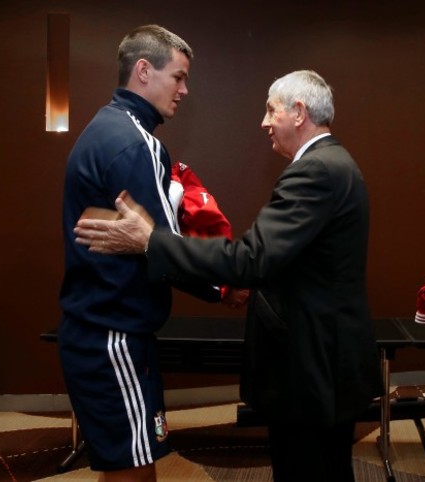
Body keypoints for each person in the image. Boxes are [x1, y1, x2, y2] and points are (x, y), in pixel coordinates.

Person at [73, 69, 384, 482]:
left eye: (271, 110)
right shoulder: (332, 163)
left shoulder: (317, 171)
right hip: (323, 362)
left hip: (312, 369)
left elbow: (251, 260)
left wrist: (151, 241)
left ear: (299, 113)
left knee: (308, 470)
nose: (264, 122)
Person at [59, 25, 246, 482]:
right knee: (135, 472)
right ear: (143, 70)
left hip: (104, 330)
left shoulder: (110, 128)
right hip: (113, 336)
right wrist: (224, 286)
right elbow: (162, 246)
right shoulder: (131, 141)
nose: (184, 90)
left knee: (125, 464)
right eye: (178, 77)